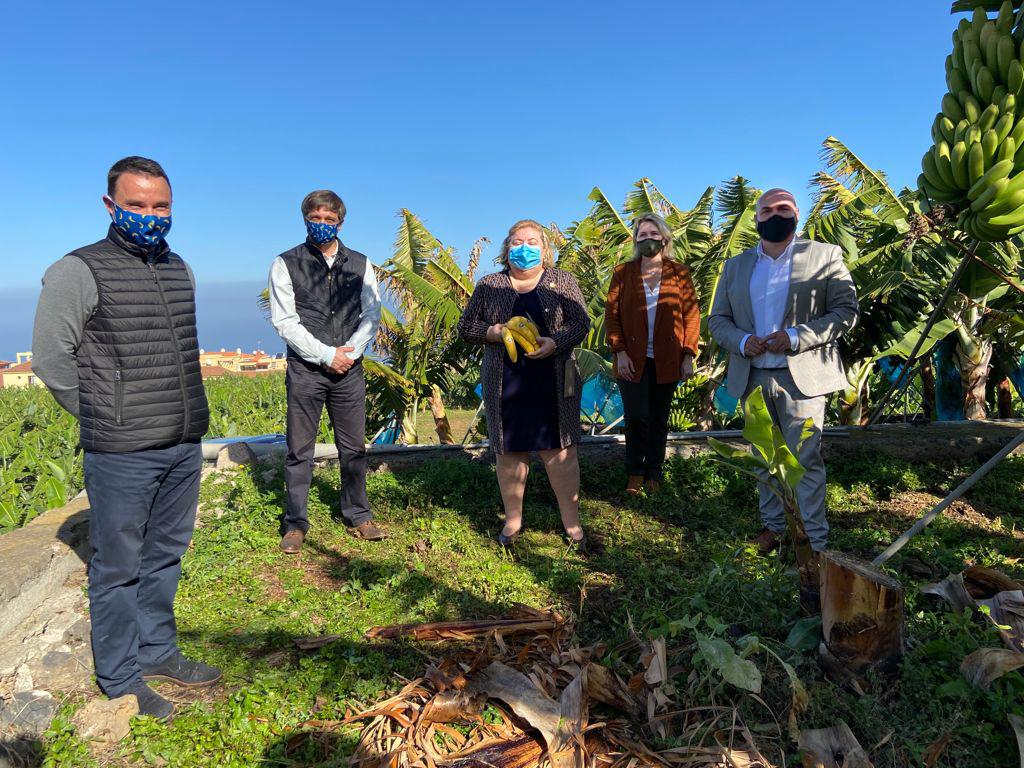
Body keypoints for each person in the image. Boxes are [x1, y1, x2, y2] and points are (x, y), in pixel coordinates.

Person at [32, 156, 219, 720]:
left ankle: (158, 649)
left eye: (160, 206)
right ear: (110, 205)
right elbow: (50, 358)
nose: (150, 215)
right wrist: (104, 415)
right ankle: (119, 676)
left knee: (166, 554)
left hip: (182, 441)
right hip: (122, 452)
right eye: (136, 205)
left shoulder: (177, 266)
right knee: (118, 568)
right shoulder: (78, 270)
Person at [708, 188, 859, 555]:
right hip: (753, 376)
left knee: (805, 458)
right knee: (763, 456)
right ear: (757, 218)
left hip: (801, 377)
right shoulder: (736, 265)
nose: (776, 214)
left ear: (796, 215)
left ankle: (813, 540)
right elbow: (717, 319)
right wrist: (743, 342)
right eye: (768, 209)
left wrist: (794, 337)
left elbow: (845, 312)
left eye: (784, 208)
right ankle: (773, 527)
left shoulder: (824, 256)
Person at [458, 220, 590, 550]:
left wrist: (555, 342)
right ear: (507, 249)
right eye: (517, 241)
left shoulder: (562, 281)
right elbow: (466, 326)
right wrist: (493, 332)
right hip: (505, 381)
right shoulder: (490, 284)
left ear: (545, 250)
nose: (524, 247)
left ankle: (572, 523)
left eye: (532, 241)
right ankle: (513, 519)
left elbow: (581, 323)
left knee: (561, 452)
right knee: (509, 452)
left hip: (554, 379)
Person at [268, 189, 383, 554]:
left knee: (354, 447)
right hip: (306, 369)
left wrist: (350, 353)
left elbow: (372, 314)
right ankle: (295, 523)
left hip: (349, 368)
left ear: (340, 222)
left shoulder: (361, 264)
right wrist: (325, 355)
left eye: (328, 220)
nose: (322, 225)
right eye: (315, 219)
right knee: (299, 449)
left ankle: (358, 514)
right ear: (305, 220)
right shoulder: (286, 263)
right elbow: (285, 321)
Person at [605, 213, 701, 494]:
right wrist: (619, 351)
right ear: (636, 239)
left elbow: (691, 316)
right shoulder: (623, 272)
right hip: (631, 358)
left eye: (653, 234)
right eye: (642, 235)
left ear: (664, 238)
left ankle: (654, 474)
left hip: (667, 358)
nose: (648, 239)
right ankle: (634, 473)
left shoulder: (679, 272)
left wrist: (688, 355)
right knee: (636, 416)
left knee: (659, 417)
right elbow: (612, 316)